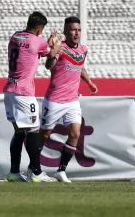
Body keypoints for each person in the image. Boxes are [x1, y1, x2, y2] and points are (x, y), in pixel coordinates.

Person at [3, 12, 60, 183]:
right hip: (24, 93)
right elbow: (50, 54)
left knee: (19, 132)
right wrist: (55, 44)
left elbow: (35, 47)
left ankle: (14, 172)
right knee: (33, 131)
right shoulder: (38, 41)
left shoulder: (15, 36)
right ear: (40, 29)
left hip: (10, 90)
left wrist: (46, 43)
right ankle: (36, 171)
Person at [40, 16, 98, 183]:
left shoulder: (83, 50)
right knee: (43, 136)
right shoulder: (61, 48)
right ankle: (33, 168)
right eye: (73, 29)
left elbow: (80, 66)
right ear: (66, 31)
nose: (77, 32)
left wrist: (89, 82)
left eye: (79, 30)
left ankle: (61, 170)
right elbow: (48, 66)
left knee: (75, 134)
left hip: (72, 100)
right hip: (55, 100)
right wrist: (52, 53)